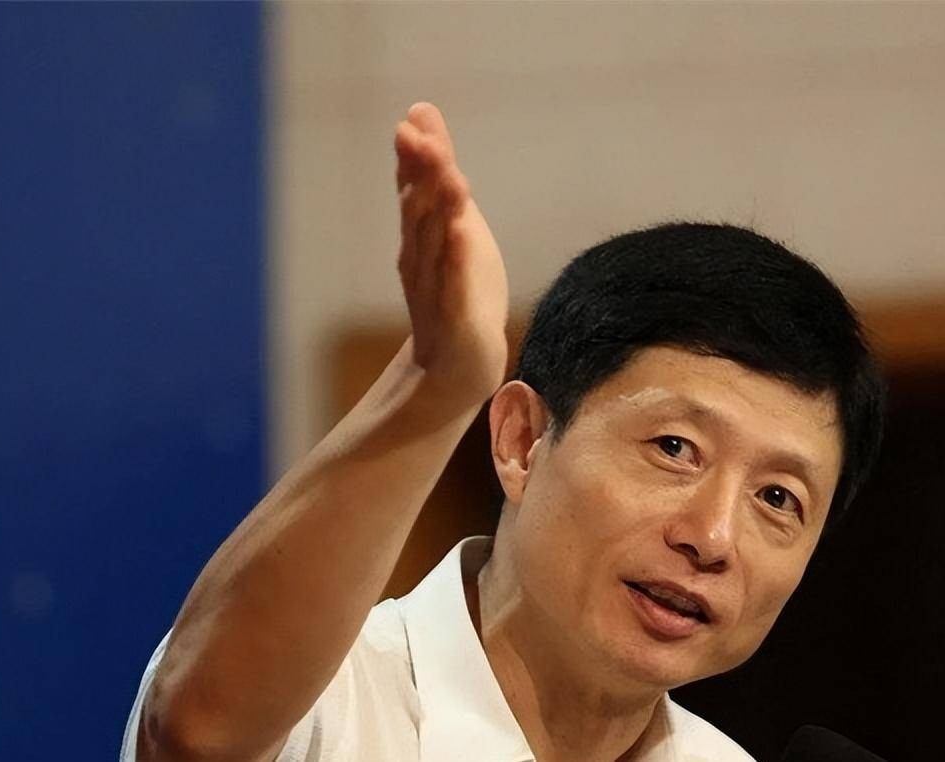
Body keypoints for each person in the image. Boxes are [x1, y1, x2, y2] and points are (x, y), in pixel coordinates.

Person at [121, 102, 885, 762]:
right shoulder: (333, 701)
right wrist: (436, 381)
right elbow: (195, 732)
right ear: (522, 440)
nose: (713, 537)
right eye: (675, 449)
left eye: (778, 498)